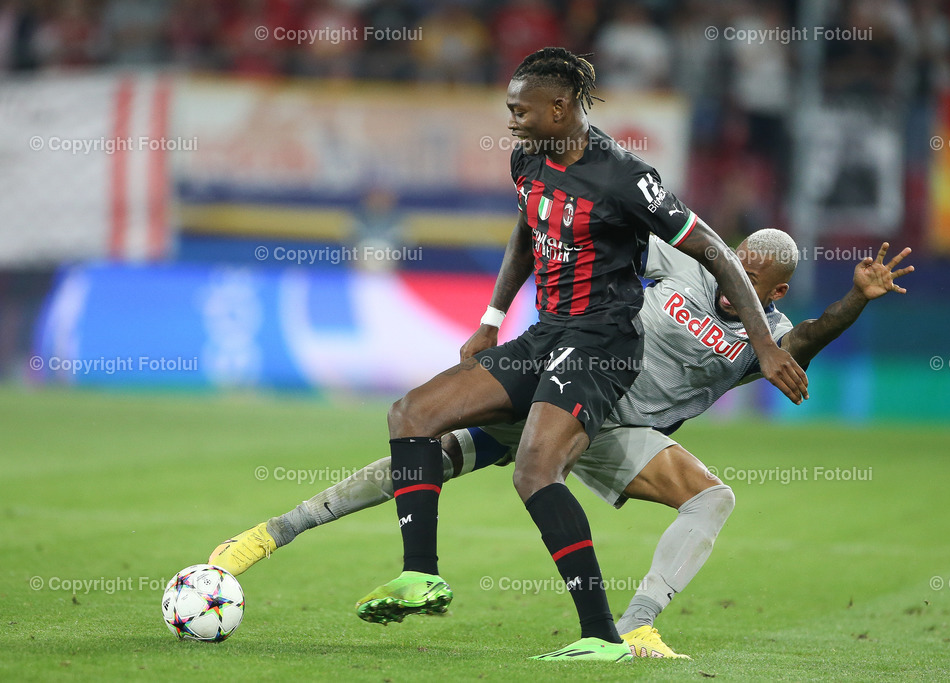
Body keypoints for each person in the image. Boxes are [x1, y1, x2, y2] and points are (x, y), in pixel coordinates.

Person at [213, 46, 807, 663]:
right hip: (547, 337)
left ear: (561, 107)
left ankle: (607, 635)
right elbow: (528, 231)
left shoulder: (626, 178)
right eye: (509, 108)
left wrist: (765, 347)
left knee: (534, 470)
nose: (512, 120)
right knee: (414, 416)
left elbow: (714, 247)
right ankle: (420, 573)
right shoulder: (529, 159)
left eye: (521, 109)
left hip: (601, 346)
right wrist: (492, 319)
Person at [212, 232, 910, 658]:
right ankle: (271, 533)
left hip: (621, 432)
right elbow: (623, 234)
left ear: (775, 288)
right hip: (568, 388)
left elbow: (807, 340)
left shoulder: (769, 333)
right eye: (733, 263)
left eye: (750, 278)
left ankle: (637, 627)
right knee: (430, 447)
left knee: (711, 499)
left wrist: (856, 301)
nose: (734, 281)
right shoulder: (688, 262)